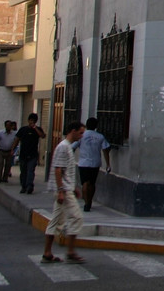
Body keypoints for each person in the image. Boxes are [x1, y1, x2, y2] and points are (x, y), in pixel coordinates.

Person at [42, 121, 87, 264]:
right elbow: (58, 169)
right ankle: (71, 251)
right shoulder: (63, 147)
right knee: (77, 217)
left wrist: (72, 187)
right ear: (72, 131)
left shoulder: (67, 147)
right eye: (80, 132)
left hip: (66, 188)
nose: (81, 136)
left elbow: (64, 171)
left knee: (56, 220)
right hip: (63, 190)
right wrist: (62, 190)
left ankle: (47, 253)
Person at [73, 117, 111, 212]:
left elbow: (72, 147)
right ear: (96, 126)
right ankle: (89, 201)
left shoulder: (81, 136)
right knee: (92, 183)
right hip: (95, 163)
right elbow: (106, 150)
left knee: (85, 183)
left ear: (86, 125)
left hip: (83, 163)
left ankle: (86, 202)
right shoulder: (100, 136)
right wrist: (108, 164)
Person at [15, 112, 46, 194]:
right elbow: (17, 139)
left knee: (30, 171)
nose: (32, 122)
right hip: (23, 154)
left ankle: (30, 186)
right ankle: (23, 186)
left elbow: (42, 136)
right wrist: (12, 149)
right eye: (31, 120)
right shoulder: (23, 129)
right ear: (28, 120)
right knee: (23, 171)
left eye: (34, 121)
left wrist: (35, 128)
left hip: (33, 154)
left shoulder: (38, 129)